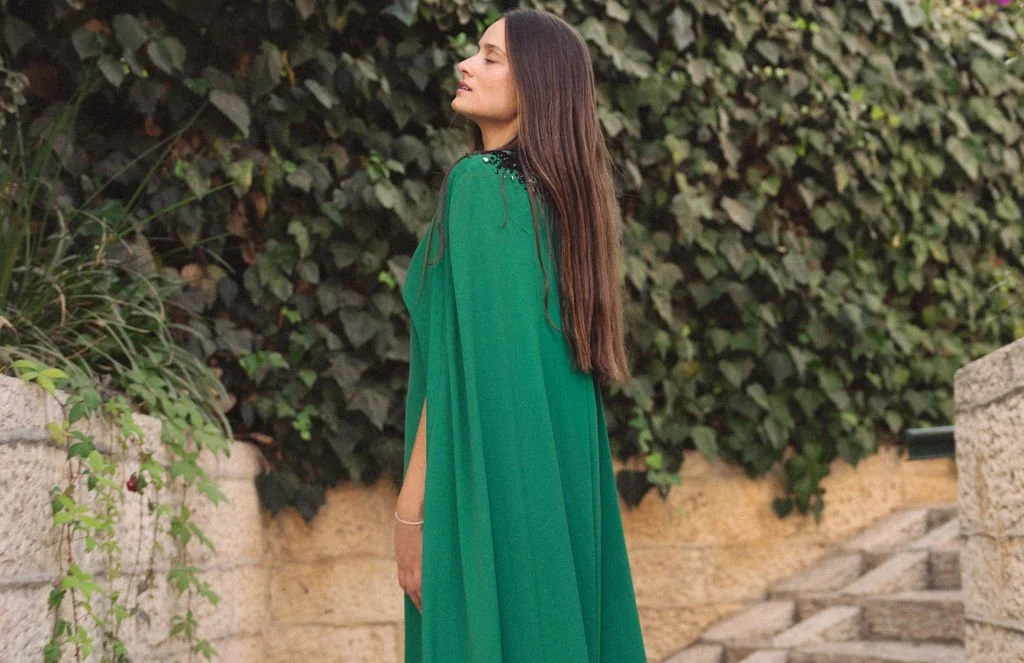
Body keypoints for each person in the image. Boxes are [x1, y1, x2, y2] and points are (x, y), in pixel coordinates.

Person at [393, 8, 648, 663]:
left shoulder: (480, 189)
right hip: (560, 479)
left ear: (536, 83)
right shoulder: (568, 207)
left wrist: (411, 512)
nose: (466, 65)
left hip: (486, 483)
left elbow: (458, 370)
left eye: (490, 56)